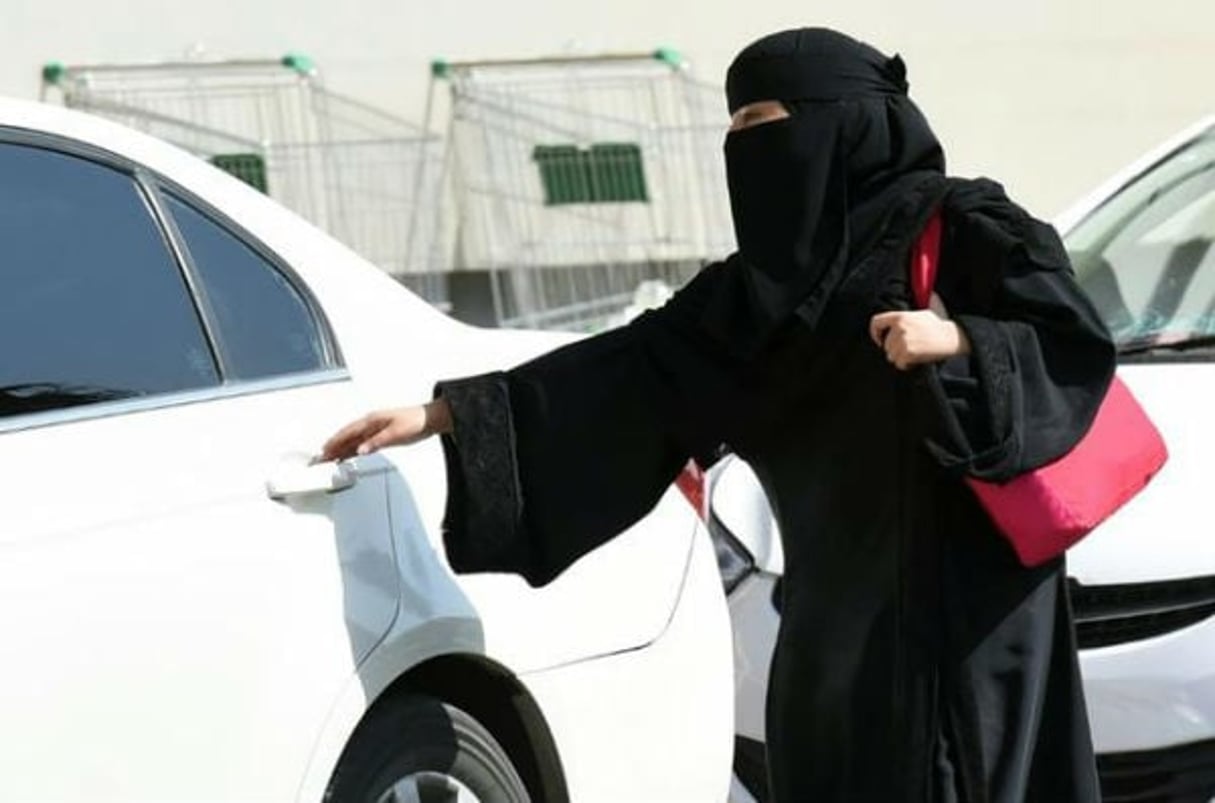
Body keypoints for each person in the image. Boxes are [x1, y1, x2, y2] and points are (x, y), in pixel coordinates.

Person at [323, 27, 1113, 803]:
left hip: (964, 610)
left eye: (763, 122)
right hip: (829, 622)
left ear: (841, 118)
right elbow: (631, 370)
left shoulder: (964, 224)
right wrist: (446, 415)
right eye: (732, 125)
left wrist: (958, 341)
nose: (743, 144)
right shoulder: (753, 293)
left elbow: (1069, 343)